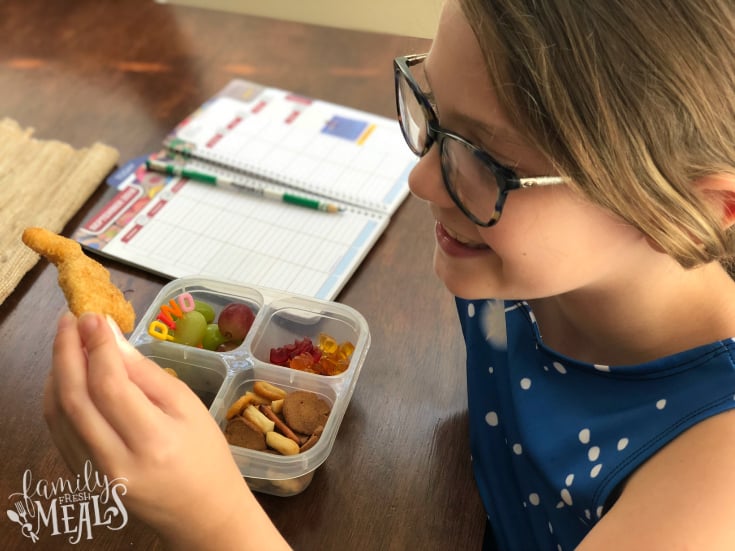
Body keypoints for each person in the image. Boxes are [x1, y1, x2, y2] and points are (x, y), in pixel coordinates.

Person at [45, 0, 735, 549]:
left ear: (699, 206)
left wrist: (212, 520)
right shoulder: (521, 275)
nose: (421, 177)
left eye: (488, 160)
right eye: (431, 111)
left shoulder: (712, 483)